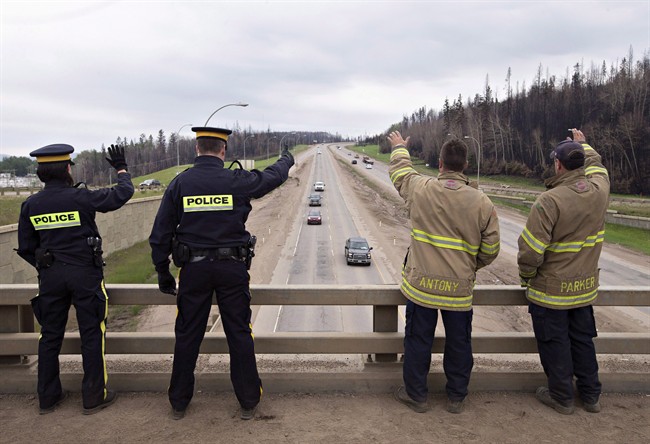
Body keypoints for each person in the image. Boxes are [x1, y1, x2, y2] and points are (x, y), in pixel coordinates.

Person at [149, 126, 294, 420]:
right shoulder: (236, 180)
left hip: (193, 271)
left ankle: (179, 402)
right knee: (239, 333)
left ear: (197, 149)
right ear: (223, 151)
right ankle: (249, 401)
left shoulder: (180, 184)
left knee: (188, 334)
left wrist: (163, 272)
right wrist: (286, 159)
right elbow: (272, 177)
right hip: (232, 269)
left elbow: (160, 234)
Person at [16, 143, 134, 415]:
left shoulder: (31, 204)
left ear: (40, 173)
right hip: (85, 275)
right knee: (91, 333)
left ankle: (48, 397)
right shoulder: (80, 198)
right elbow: (122, 194)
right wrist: (122, 170)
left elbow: (25, 247)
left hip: (51, 278)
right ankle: (94, 396)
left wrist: (47, 266)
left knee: (49, 337)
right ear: (68, 169)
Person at [387, 131, 500, 414]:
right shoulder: (481, 202)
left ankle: (416, 396)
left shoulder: (422, 189)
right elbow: (492, 248)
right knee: (459, 343)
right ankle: (456, 397)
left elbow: (401, 172)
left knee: (417, 341)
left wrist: (400, 147)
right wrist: (470, 267)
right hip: (459, 290)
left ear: (440, 164)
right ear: (464, 166)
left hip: (421, 287)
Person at [518, 128, 609, 415]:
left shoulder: (550, 201)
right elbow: (599, 169)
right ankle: (591, 394)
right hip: (583, 289)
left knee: (554, 344)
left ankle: (561, 397)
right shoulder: (599, 190)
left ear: (557, 165)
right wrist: (584, 146)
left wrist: (527, 278)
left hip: (551, 293)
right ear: (581, 164)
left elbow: (530, 252)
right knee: (583, 341)